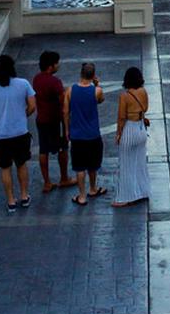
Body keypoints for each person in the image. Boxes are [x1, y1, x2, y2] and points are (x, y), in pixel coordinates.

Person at [0, 54, 35, 212]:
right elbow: (32, 106)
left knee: (5, 168)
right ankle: (24, 196)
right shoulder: (23, 84)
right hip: (20, 132)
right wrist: (22, 115)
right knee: (22, 164)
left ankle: (11, 200)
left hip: (0, 135)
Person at [32, 50, 75, 193]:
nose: (58, 65)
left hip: (41, 119)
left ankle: (47, 182)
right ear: (51, 66)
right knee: (63, 147)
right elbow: (63, 101)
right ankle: (64, 178)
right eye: (57, 63)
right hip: (55, 120)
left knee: (43, 150)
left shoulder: (37, 79)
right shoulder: (55, 82)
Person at [64, 63, 105, 205]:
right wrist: (97, 85)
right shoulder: (97, 91)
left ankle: (81, 196)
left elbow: (65, 112)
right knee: (92, 165)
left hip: (77, 135)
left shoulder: (70, 91)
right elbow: (101, 100)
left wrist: (67, 130)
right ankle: (93, 188)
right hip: (93, 134)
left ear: (81, 73)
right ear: (93, 75)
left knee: (79, 167)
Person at [113, 67, 150, 208]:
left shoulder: (125, 96)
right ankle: (142, 191)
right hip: (141, 129)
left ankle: (126, 196)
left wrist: (118, 134)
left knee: (126, 164)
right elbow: (145, 109)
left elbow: (121, 117)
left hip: (129, 129)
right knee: (139, 163)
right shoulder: (143, 92)